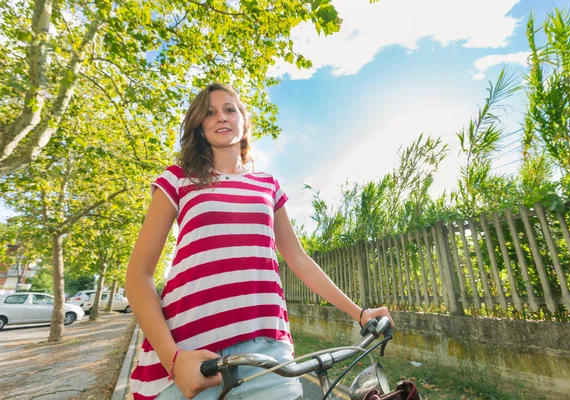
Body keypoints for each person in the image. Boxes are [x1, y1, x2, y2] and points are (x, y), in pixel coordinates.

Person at [125, 83, 395, 400]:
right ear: (199, 125)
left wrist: (360, 313)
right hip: (189, 352)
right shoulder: (177, 178)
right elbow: (138, 275)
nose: (221, 118)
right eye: (209, 113)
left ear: (244, 120)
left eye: (229, 109)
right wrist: (173, 358)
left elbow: (298, 259)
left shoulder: (267, 185)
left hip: (267, 350)